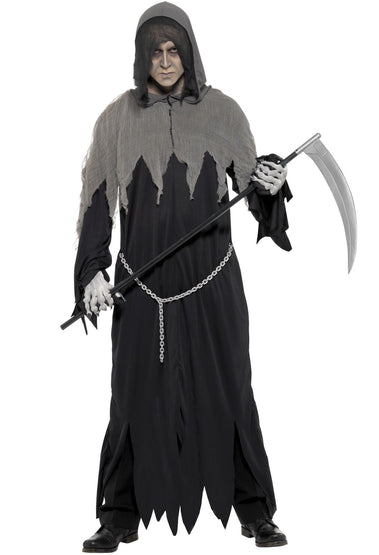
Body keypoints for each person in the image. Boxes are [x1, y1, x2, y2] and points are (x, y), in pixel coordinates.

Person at [74, 2, 293, 552]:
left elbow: (252, 188)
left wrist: (270, 184)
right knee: (130, 397)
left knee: (230, 389)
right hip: (139, 288)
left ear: (189, 54)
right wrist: (92, 271)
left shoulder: (224, 112)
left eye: (174, 51)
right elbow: (96, 203)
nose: (166, 61)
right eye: (155, 52)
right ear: (141, 57)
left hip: (213, 283)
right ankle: (119, 514)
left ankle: (254, 509)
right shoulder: (115, 119)